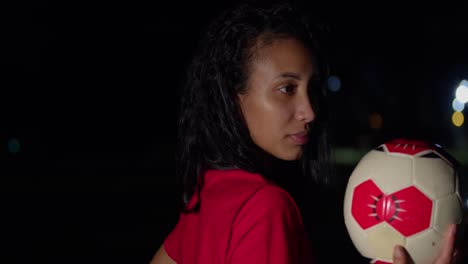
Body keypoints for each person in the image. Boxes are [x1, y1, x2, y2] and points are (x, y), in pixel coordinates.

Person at [150, 2, 459, 263]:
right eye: (287, 89)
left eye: (312, 89)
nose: (309, 111)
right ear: (233, 101)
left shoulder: (209, 192)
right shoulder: (265, 208)